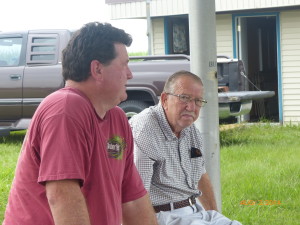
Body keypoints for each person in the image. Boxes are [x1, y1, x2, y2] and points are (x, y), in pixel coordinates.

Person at [3, 22, 158, 225]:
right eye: (124, 64)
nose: (130, 74)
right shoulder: (65, 107)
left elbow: (132, 198)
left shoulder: (117, 118)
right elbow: (61, 194)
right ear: (97, 69)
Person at [129, 70, 242, 225]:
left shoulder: (191, 131)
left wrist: (215, 216)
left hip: (195, 211)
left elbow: (201, 176)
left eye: (198, 101)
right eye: (184, 98)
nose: (191, 107)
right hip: (163, 216)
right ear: (165, 99)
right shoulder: (145, 129)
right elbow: (137, 194)